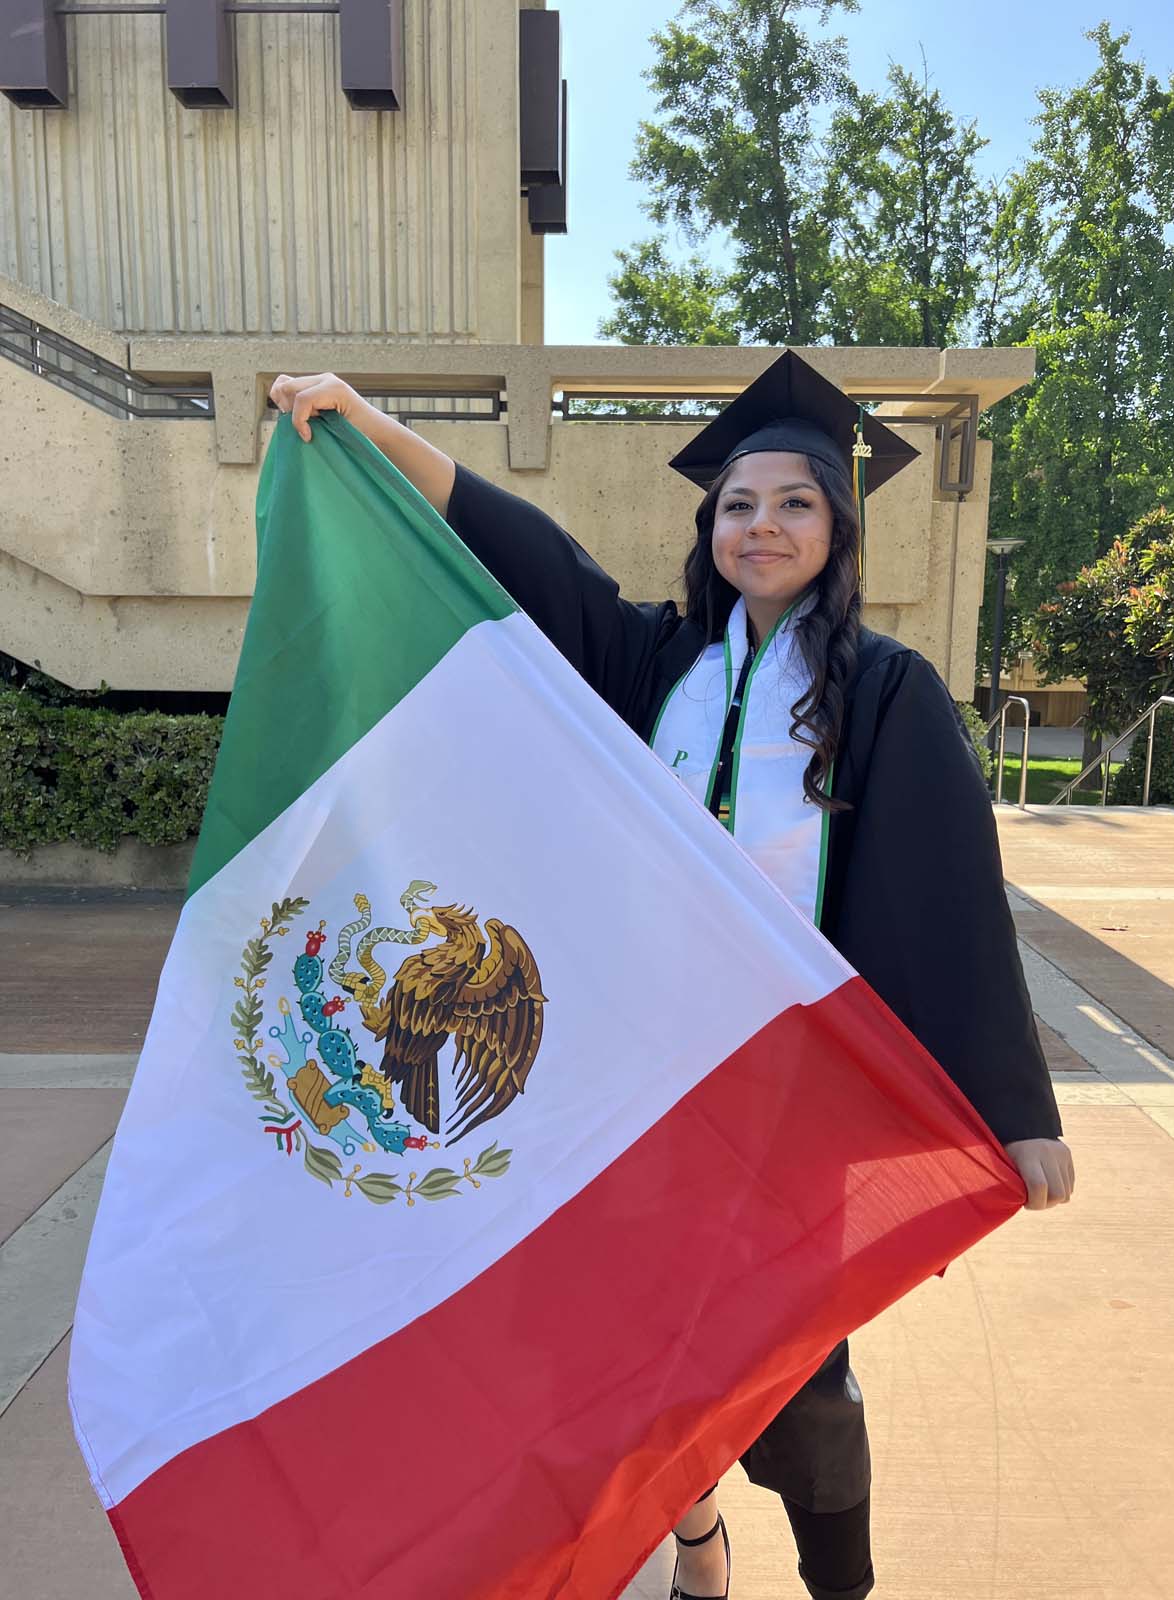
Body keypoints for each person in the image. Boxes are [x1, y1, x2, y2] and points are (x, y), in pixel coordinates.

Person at [269, 353, 1075, 1600]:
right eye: (738, 505)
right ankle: (695, 1534)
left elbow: (951, 894)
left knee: (801, 1369)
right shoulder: (656, 662)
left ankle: (841, 1582)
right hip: (638, 1080)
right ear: (711, 528)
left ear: (838, 526)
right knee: (631, 1351)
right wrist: (373, 426)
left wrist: (1015, 1107)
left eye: (795, 503)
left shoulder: (886, 691)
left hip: (787, 1093)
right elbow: (528, 555)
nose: (763, 526)